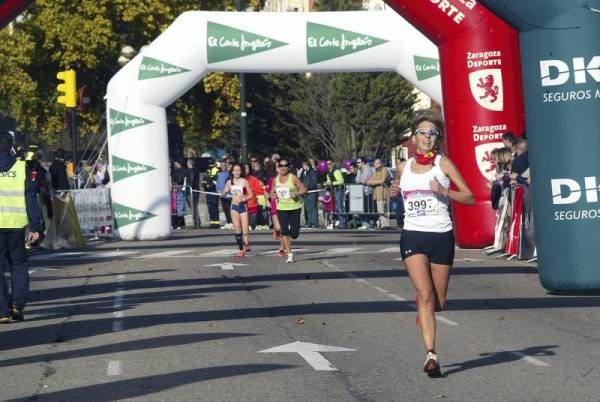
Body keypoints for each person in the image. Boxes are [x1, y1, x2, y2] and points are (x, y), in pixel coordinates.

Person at [390, 113, 474, 377]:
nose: (427, 137)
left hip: (441, 235)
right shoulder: (403, 168)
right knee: (424, 295)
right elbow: (398, 189)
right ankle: (431, 355)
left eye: (433, 133)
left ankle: (425, 312)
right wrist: (394, 190)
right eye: (423, 133)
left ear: (438, 139)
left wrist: (445, 192)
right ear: (413, 138)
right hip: (413, 235)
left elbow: (470, 197)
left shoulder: (443, 164)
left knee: (438, 303)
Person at [0, 131, 43, 323]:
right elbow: (30, 198)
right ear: (11, 147)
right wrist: (36, 227)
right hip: (17, 225)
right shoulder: (20, 168)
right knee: (19, 265)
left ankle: (2, 312)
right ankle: (17, 306)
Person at [271, 158, 307, 263]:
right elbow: (272, 192)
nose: (283, 167)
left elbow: (304, 189)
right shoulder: (275, 180)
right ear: (278, 167)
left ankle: (293, 231)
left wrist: (297, 193)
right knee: (284, 231)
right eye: (281, 165)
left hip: (294, 208)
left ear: (288, 167)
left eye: (285, 165)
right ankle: (290, 254)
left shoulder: (293, 178)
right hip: (281, 208)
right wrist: (273, 195)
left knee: (294, 234)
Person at [221, 163, 254, 257]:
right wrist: (223, 192)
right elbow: (224, 193)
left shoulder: (244, 181)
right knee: (237, 229)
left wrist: (245, 198)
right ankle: (240, 250)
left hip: (243, 207)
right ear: (232, 172)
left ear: (241, 171)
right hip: (234, 207)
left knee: (245, 230)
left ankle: (246, 243)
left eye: (239, 170)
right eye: (235, 170)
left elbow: (251, 194)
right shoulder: (229, 182)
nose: (237, 172)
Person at [323, 159, 346, 228]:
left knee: (339, 207)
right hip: (333, 190)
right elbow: (329, 181)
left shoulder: (336, 171)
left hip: (339, 190)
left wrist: (332, 183)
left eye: (329, 164)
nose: (328, 165)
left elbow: (341, 181)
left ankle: (343, 223)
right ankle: (340, 222)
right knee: (336, 207)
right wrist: (326, 184)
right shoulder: (328, 172)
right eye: (327, 164)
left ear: (333, 164)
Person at [299, 160, 318, 228]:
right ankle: (309, 222)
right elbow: (300, 180)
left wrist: (308, 187)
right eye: (303, 165)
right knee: (307, 207)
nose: (303, 167)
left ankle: (314, 222)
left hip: (311, 192)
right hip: (305, 192)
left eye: (304, 165)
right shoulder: (303, 172)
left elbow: (314, 182)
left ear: (307, 165)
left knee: (312, 207)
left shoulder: (312, 172)